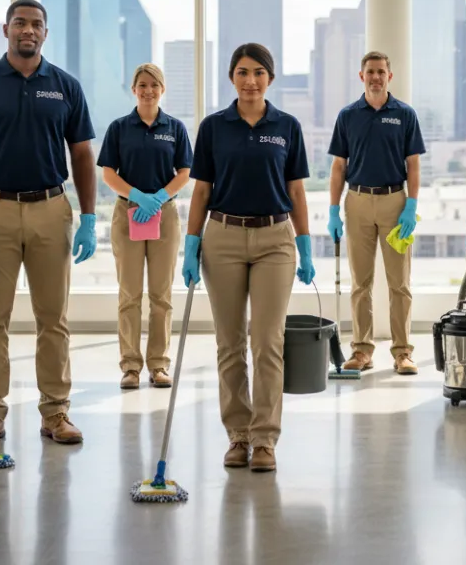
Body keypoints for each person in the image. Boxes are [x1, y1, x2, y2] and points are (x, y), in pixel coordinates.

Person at [0, 0, 97, 447]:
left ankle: (56, 413)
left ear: (46, 33)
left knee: (54, 319)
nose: (27, 30)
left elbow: (83, 154)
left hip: (52, 207)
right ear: (5, 30)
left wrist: (89, 217)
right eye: (19, 23)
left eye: (36, 24)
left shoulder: (66, 87)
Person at [182, 43, 315, 473]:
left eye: (258, 72)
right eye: (242, 72)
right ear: (231, 78)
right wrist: (191, 242)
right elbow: (201, 189)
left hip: (276, 240)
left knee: (268, 343)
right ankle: (237, 436)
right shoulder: (214, 127)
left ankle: (265, 440)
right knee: (230, 343)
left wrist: (306, 241)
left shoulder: (287, 126)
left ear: (270, 79)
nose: (250, 80)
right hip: (221, 238)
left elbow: (296, 190)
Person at [327, 51, 426, 375]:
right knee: (361, 283)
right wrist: (333, 209)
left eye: (381, 71)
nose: (375, 77)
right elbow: (338, 165)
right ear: (361, 76)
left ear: (389, 76)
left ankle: (402, 352)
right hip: (357, 203)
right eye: (370, 71)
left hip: (395, 203)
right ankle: (362, 351)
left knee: (400, 283)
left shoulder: (405, 114)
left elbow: (413, 164)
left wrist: (411, 205)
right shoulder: (348, 116)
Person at [97, 63, 192, 390]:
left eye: (154, 84)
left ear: (162, 89)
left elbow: (184, 172)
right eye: (142, 84)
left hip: (164, 215)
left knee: (161, 295)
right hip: (129, 214)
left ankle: (159, 365)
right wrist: (137, 196)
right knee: (130, 295)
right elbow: (108, 173)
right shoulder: (120, 128)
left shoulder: (175, 128)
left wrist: (160, 196)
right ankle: (130, 367)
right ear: (133, 89)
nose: (148, 90)